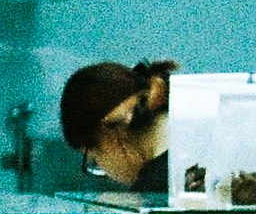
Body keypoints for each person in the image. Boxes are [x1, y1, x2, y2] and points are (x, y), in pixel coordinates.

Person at [60, 59, 175, 195]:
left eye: (94, 160)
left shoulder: (152, 190)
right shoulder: (191, 156)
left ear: (108, 136)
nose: (109, 173)